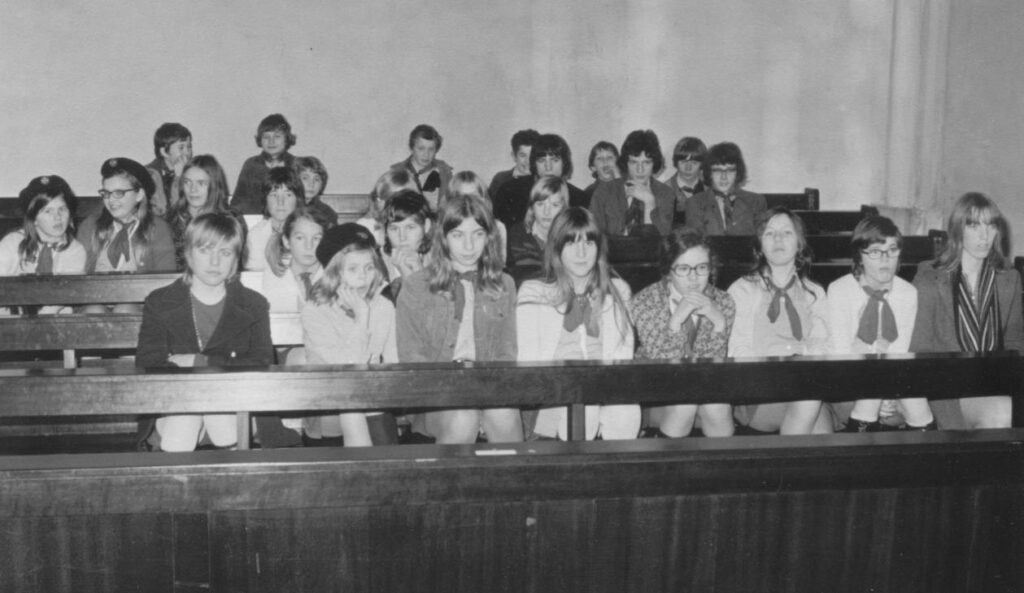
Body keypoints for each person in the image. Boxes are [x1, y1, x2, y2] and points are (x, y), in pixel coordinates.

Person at [136, 213, 298, 451]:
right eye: (205, 250)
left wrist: (200, 362)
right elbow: (148, 364)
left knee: (222, 421)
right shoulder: (160, 301)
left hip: (236, 401)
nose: (215, 262)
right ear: (189, 254)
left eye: (225, 252)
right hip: (175, 401)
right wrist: (198, 392)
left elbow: (261, 365)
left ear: (236, 259)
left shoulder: (253, 304)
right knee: (183, 425)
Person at [395, 193, 521, 444]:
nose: (469, 246)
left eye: (477, 234)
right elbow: (412, 356)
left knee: (504, 413)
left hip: (489, 387)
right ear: (443, 238)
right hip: (435, 395)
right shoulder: (417, 285)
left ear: (489, 237)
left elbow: (506, 353)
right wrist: (459, 392)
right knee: (464, 415)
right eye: (458, 235)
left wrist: (484, 392)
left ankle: (513, 472)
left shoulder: (503, 284)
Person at [517, 207, 637, 440]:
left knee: (627, 411)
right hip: (554, 394)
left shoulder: (618, 290)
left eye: (589, 243)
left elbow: (623, 354)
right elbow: (529, 361)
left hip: (606, 387)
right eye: (571, 243)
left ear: (598, 248)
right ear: (557, 247)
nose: (581, 253)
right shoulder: (534, 292)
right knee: (584, 406)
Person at [910, 192, 1024, 430]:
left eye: (990, 225)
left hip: (993, 382)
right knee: (1001, 411)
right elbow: (920, 349)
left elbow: (1015, 343)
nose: (984, 236)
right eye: (973, 226)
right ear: (957, 230)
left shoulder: (1008, 278)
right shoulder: (930, 278)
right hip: (946, 388)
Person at [728, 207, 831, 435]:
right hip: (760, 390)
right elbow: (738, 348)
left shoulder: (814, 292)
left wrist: (800, 362)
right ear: (760, 245)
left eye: (786, 232)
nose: (778, 239)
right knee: (811, 402)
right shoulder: (742, 289)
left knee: (822, 435)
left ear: (799, 244)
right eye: (769, 233)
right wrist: (776, 373)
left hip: (805, 382)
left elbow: (822, 343)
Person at [827, 216, 934, 431]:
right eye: (875, 252)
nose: (885, 259)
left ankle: (925, 451)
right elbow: (843, 355)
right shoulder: (840, 290)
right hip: (847, 386)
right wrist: (879, 391)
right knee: (872, 396)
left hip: (893, 386)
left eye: (892, 250)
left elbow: (899, 352)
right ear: (860, 255)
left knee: (914, 398)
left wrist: (888, 393)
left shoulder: (907, 292)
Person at [301, 223, 399, 446]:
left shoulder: (383, 306)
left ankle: (384, 465)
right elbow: (348, 366)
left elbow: (393, 361)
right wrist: (362, 317)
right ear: (334, 272)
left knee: (368, 409)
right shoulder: (315, 310)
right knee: (352, 407)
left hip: (371, 394)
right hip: (327, 396)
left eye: (369, 267)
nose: (363, 277)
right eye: (352, 269)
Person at [632, 228, 735, 438]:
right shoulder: (646, 300)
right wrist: (675, 321)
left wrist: (718, 323)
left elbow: (714, 370)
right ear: (668, 270)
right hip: (657, 389)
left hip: (706, 386)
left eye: (702, 268)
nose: (694, 277)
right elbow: (663, 363)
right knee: (685, 402)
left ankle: (721, 459)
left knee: (716, 405)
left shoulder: (723, 301)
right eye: (684, 268)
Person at [0, 176, 86, 314]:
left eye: (62, 209)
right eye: (48, 211)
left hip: (54, 320)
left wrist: (33, 323)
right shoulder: (13, 243)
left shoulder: (75, 250)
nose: (57, 217)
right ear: (33, 218)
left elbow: (62, 297)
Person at [79, 157, 176, 275]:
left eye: (119, 193)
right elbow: (75, 276)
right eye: (106, 193)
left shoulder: (158, 229)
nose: (111, 200)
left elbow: (165, 278)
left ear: (139, 195)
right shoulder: (90, 226)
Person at [589, 129, 676, 237]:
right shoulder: (604, 191)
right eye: (634, 162)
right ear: (626, 163)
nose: (640, 169)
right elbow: (594, 236)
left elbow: (662, 241)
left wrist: (649, 202)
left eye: (646, 162)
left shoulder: (666, 193)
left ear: (654, 163)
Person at [492, 133, 588, 228]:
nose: (548, 167)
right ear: (534, 164)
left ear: (564, 163)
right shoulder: (510, 191)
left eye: (555, 160)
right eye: (542, 161)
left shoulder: (579, 198)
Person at [166, 154, 240, 270]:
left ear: (213, 186)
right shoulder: (170, 219)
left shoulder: (230, 220)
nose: (193, 189)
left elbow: (233, 265)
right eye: (187, 182)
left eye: (201, 183)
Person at [684, 142, 766, 236]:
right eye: (717, 171)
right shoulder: (694, 203)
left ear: (737, 173)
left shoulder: (756, 202)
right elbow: (695, 242)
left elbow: (760, 240)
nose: (724, 177)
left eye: (729, 170)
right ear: (709, 173)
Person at [261, 207, 334, 314]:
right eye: (300, 238)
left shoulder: (334, 275)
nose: (308, 246)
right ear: (286, 242)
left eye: (316, 238)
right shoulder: (273, 277)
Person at [506, 176, 568, 280]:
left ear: (564, 208)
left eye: (554, 205)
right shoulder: (519, 233)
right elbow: (524, 275)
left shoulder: (570, 235)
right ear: (532, 207)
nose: (546, 212)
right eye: (540, 204)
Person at [233, 114, 297, 214]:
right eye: (266, 137)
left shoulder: (296, 165)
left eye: (277, 136)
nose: (271, 141)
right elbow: (238, 201)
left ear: (286, 139)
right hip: (256, 219)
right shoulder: (251, 165)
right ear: (260, 140)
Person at [244, 167, 302, 272]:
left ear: (297, 199)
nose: (280, 202)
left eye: (288, 195)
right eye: (274, 195)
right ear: (265, 199)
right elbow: (254, 276)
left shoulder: (307, 231)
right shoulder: (255, 235)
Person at [384, 124, 452, 210]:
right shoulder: (396, 172)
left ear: (436, 150)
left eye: (431, 149)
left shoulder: (444, 172)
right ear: (411, 148)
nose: (426, 154)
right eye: (421, 148)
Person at [447, 171, 507, 262]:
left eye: (474, 197)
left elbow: (499, 262)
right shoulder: (443, 226)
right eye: (462, 197)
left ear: (483, 199)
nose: (469, 202)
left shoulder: (498, 227)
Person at [381, 190, 433, 282]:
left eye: (410, 227)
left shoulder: (440, 261)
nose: (402, 237)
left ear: (426, 226)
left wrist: (420, 275)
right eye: (394, 229)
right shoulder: (377, 263)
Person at [145, 123, 193, 217]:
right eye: (181, 148)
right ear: (164, 152)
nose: (187, 152)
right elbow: (164, 212)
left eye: (189, 147)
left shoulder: (192, 172)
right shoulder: (150, 175)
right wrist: (178, 180)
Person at [663, 136, 707, 224]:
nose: (688, 168)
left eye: (694, 163)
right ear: (676, 162)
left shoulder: (711, 189)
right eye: (684, 162)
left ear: (702, 164)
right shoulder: (663, 191)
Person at [488, 129, 539, 197]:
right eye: (523, 155)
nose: (528, 161)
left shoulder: (542, 180)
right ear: (514, 156)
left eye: (532, 155)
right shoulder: (500, 179)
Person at [293, 156, 339, 225]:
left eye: (316, 179)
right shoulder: (287, 206)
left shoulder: (327, 213)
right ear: (295, 180)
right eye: (305, 178)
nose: (311, 184)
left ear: (322, 184)